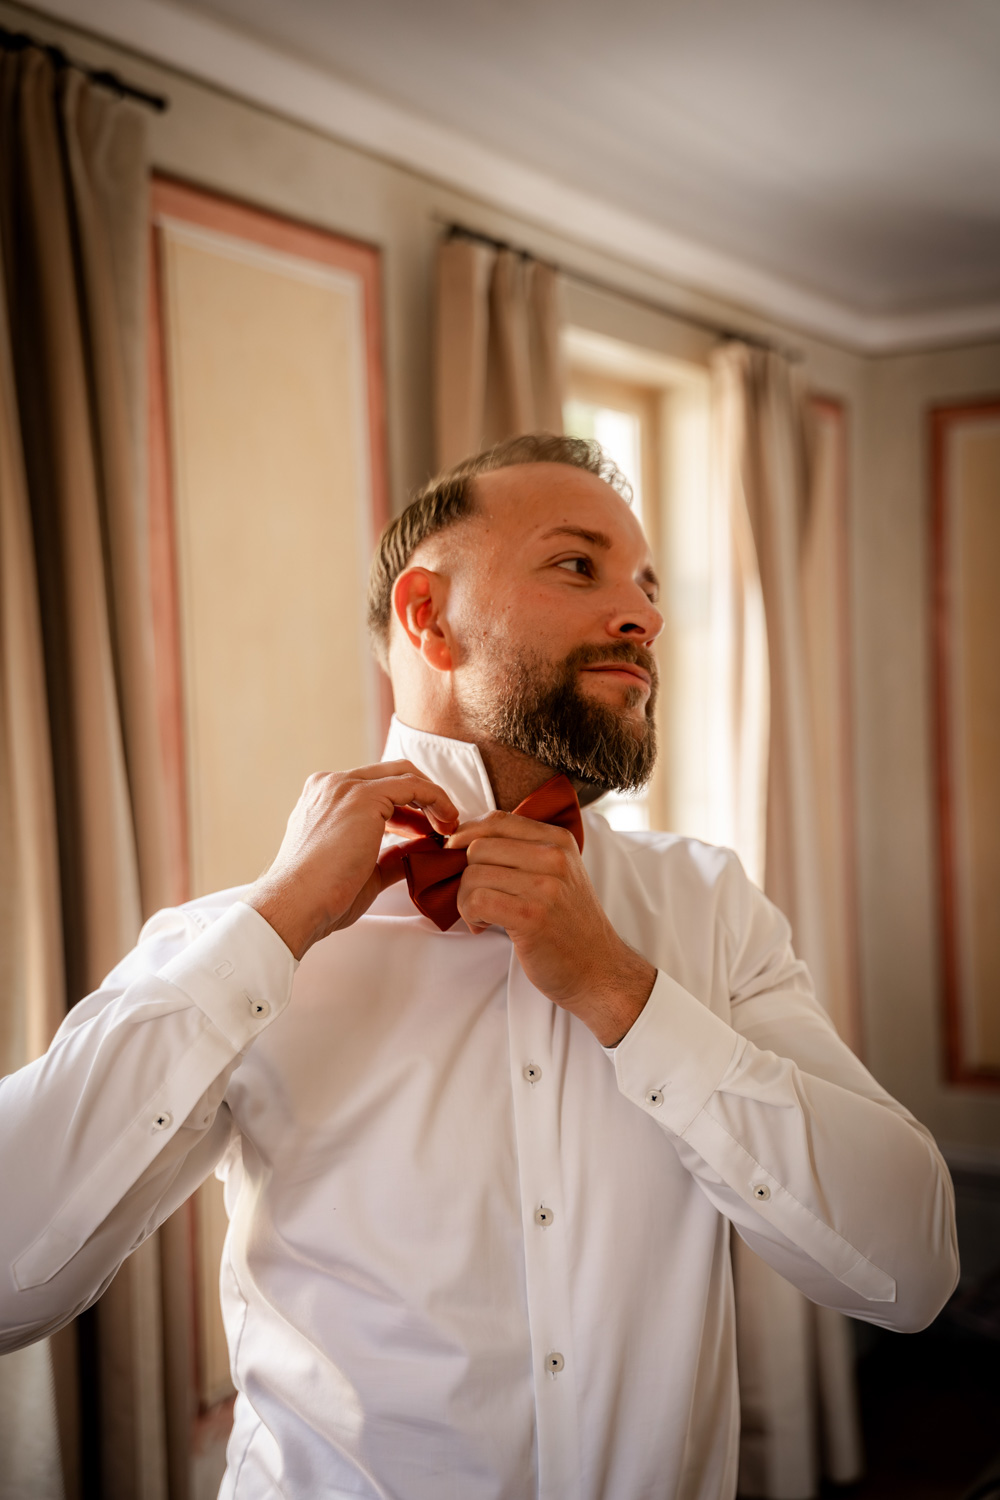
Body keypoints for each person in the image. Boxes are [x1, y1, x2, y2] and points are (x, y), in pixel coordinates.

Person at [1, 434, 957, 1500]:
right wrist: (273, 926)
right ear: (427, 615)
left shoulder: (709, 904)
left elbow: (910, 1270)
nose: (643, 618)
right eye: (577, 565)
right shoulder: (233, 947)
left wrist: (622, 994)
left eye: (647, 585)